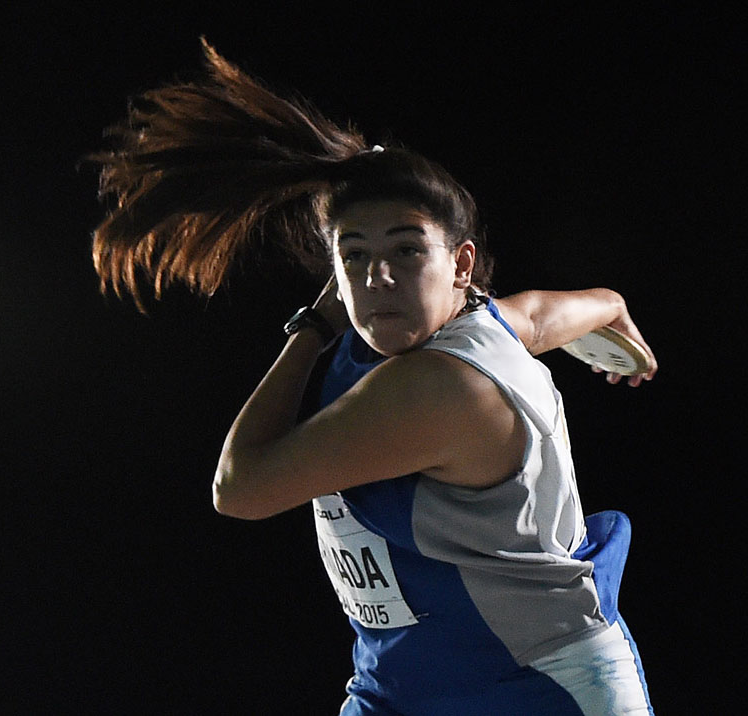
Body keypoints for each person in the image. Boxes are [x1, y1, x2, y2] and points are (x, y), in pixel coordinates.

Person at [89, 39, 658, 714]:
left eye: (406, 250)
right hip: (400, 688)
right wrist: (614, 310)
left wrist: (309, 331)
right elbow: (541, 315)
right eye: (354, 255)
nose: (376, 276)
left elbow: (239, 489)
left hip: (534, 690)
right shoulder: (471, 321)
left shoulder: (437, 385)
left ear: (461, 262)